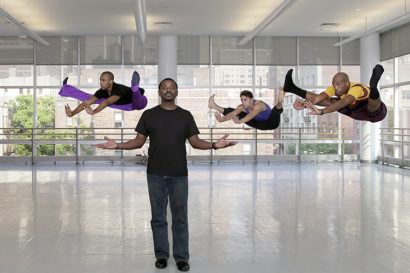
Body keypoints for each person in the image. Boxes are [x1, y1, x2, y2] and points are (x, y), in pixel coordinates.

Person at [95, 78, 237, 272]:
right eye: (165, 87)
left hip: (179, 174)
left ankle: (181, 258)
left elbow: (195, 142)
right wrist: (117, 145)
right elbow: (138, 142)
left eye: (172, 87)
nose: (168, 90)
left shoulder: (185, 116)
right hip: (155, 173)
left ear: (177, 91)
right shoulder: (149, 115)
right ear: (159, 92)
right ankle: (161, 255)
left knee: (180, 218)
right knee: (158, 218)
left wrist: (214, 145)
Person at [284, 65, 387, 122]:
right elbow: (319, 98)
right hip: (353, 111)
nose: (335, 88)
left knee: (372, 108)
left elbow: (343, 103)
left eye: (338, 85)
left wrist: (322, 112)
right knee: (331, 101)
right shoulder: (335, 87)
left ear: (347, 83)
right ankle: (292, 88)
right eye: (334, 84)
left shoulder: (357, 89)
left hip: (376, 113)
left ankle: (373, 88)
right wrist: (304, 105)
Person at [60, 71, 147, 117]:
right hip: (118, 103)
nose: (101, 82)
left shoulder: (120, 89)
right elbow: (86, 103)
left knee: (137, 100)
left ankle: (135, 89)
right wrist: (72, 114)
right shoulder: (102, 91)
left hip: (135, 103)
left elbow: (106, 103)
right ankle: (66, 89)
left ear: (111, 81)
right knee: (87, 97)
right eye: (100, 80)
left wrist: (93, 112)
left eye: (103, 80)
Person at [208, 88, 285, 130]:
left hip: (271, 122)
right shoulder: (242, 107)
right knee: (236, 111)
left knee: (275, 111)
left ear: (251, 99)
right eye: (242, 100)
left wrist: (240, 121)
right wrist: (223, 119)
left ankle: (279, 102)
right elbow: (232, 114)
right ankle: (213, 106)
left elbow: (251, 115)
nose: (243, 102)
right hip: (259, 124)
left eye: (245, 100)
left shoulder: (258, 105)